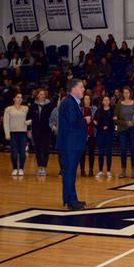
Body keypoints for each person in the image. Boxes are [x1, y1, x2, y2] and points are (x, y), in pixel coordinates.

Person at [57, 78, 88, 210]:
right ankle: (71, 201)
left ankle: (68, 198)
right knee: (70, 172)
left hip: (70, 144)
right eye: (81, 87)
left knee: (68, 172)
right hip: (70, 144)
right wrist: (84, 120)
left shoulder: (70, 102)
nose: (83, 89)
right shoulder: (70, 103)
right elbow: (72, 123)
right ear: (73, 89)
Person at [27, 89, 55, 176]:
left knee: (45, 149)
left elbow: (53, 118)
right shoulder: (33, 106)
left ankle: (44, 167)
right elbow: (28, 119)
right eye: (41, 94)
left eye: (44, 94)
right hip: (36, 131)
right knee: (38, 149)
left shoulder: (50, 105)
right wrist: (29, 130)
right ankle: (40, 167)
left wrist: (53, 126)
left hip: (47, 131)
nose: (42, 96)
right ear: (37, 95)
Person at [113, 87, 134, 178]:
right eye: (124, 93)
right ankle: (123, 170)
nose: (126, 94)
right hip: (122, 129)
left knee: (133, 149)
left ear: (130, 93)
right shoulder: (119, 105)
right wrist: (125, 123)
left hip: (133, 129)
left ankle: (133, 169)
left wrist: (133, 122)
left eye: (127, 93)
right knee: (123, 149)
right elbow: (115, 119)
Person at [4, 92, 30, 177]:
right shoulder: (9, 109)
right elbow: (6, 122)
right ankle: (15, 168)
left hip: (23, 133)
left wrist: (27, 122)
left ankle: (21, 168)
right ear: (14, 99)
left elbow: (32, 118)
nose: (20, 99)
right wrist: (7, 133)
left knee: (23, 151)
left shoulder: (26, 108)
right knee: (14, 152)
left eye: (21, 97)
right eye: (18, 97)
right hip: (13, 133)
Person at [94, 96, 114, 178]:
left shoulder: (113, 111)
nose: (106, 101)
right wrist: (101, 126)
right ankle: (100, 170)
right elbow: (95, 121)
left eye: (108, 100)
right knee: (101, 152)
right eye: (105, 100)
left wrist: (108, 126)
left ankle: (108, 170)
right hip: (100, 133)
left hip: (109, 133)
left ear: (109, 101)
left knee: (108, 151)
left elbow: (114, 122)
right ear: (102, 102)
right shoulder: (99, 111)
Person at [79, 94, 97, 177]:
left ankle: (91, 169)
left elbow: (97, 121)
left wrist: (92, 121)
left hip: (91, 134)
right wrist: (84, 120)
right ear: (83, 100)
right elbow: (77, 121)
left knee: (91, 152)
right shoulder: (79, 109)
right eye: (85, 99)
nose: (87, 101)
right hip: (82, 134)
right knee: (82, 152)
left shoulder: (94, 109)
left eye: (88, 99)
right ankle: (82, 169)